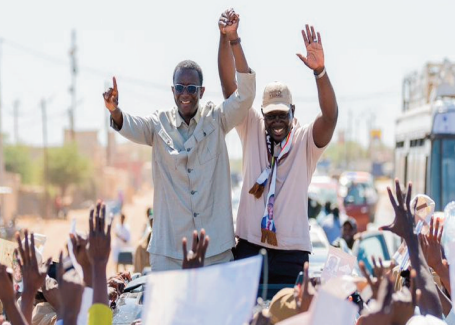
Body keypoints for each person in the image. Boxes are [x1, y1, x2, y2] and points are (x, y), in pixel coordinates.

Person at [102, 8, 256, 272]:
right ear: (173, 90)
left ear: (201, 91)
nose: (186, 94)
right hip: (169, 252)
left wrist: (234, 39)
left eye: (192, 88)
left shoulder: (216, 119)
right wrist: (115, 111)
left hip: (215, 250)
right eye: (181, 88)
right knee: (169, 313)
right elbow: (130, 125)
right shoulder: (157, 124)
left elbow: (245, 95)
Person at [223, 21, 338, 284]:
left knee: (291, 321)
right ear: (262, 114)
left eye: (282, 114)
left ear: (293, 113)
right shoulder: (251, 127)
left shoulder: (304, 140)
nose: (277, 121)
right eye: (271, 115)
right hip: (250, 246)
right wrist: (230, 40)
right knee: (246, 321)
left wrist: (320, 72)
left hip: (292, 252)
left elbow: (330, 117)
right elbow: (231, 90)